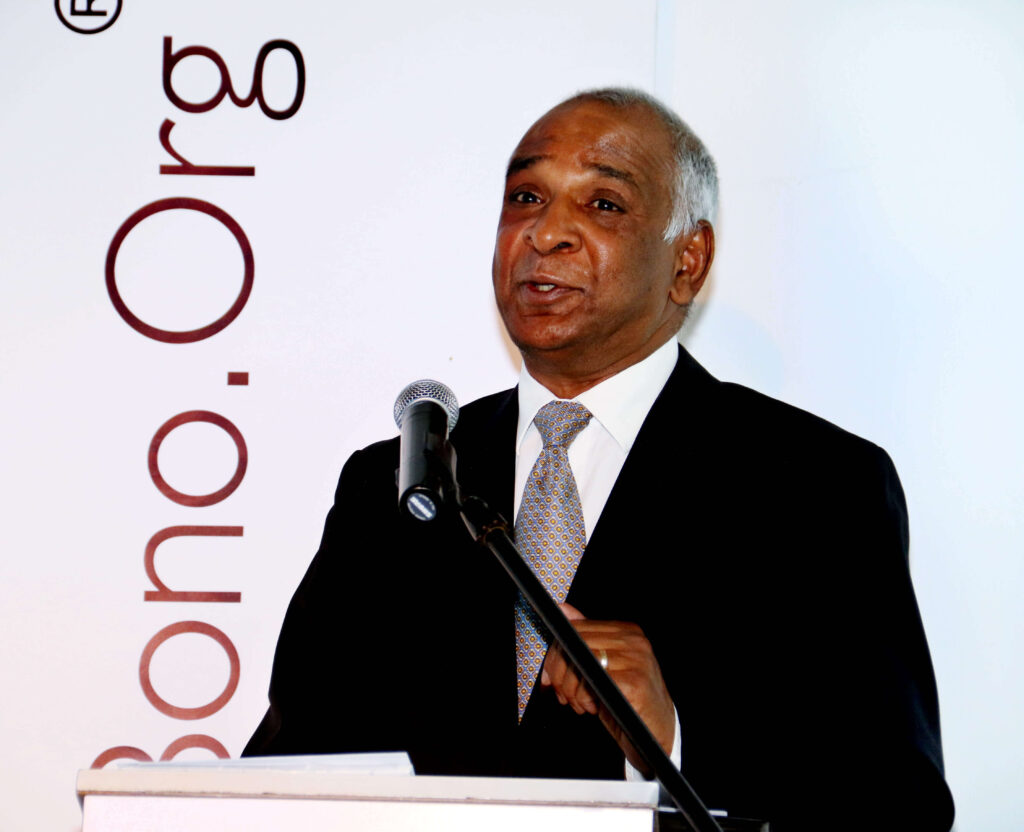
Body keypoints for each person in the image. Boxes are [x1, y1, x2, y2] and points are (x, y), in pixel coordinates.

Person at [244, 88, 954, 831]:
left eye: (604, 204)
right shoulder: (400, 484)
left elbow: (894, 807)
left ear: (688, 261)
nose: (546, 232)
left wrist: (669, 745)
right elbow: (290, 773)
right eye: (526, 197)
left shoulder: (813, 485)